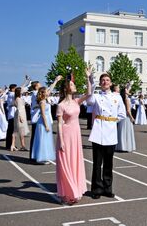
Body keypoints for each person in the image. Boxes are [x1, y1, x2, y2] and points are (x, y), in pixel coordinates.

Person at [86, 72, 126, 199]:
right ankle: (97, 189)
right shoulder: (97, 96)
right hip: (98, 130)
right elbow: (89, 100)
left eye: (107, 80)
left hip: (111, 131)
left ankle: (107, 188)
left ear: (111, 82)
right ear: (100, 82)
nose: (105, 82)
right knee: (97, 163)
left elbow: (122, 114)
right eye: (103, 80)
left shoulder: (117, 97)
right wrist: (90, 80)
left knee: (109, 163)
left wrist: (112, 121)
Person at [56, 68, 91, 205]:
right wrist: (61, 141)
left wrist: (88, 78)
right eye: (71, 84)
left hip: (76, 134)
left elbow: (89, 93)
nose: (74, 85)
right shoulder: (61, 105)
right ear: (66, 89)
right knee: (66, 164)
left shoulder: (77, 101)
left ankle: (76, 189)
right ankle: (67, 192)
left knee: (75, 162)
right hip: (66, 134)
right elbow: (59, 124)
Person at [32, 76, 62, 164]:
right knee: (43, 139)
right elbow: (43, 115)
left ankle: (45, 156)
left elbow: (51, 89)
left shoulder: (45, 100)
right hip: (43, 122)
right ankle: (41, 157)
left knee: (47, 140)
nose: (48, 92)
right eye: (46, 91)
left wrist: (56, 80)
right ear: (42, 93)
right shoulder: (42, 102)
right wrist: (46, 125)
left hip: (47, 120)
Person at [116, 84, 136, 152]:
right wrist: (132, 117)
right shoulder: (126, 99)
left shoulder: (122, 98)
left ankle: (122, 145)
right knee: (126, 131)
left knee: (122, 131)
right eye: (127, 90)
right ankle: (126, 146)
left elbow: (128, 88)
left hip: (123, 117)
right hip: (126, 117)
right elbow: (128, 110)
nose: (128, 91)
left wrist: (129, 85)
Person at [12, 87, 30, 151]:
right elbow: (19, 109)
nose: (23, 91)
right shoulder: (18, 99)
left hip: (22, 113)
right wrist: (20, 117)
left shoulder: (19, 98)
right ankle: (13, 145)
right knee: (17, 130)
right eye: (21, 90)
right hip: (20, 114)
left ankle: (23, 145)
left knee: (21, 130)